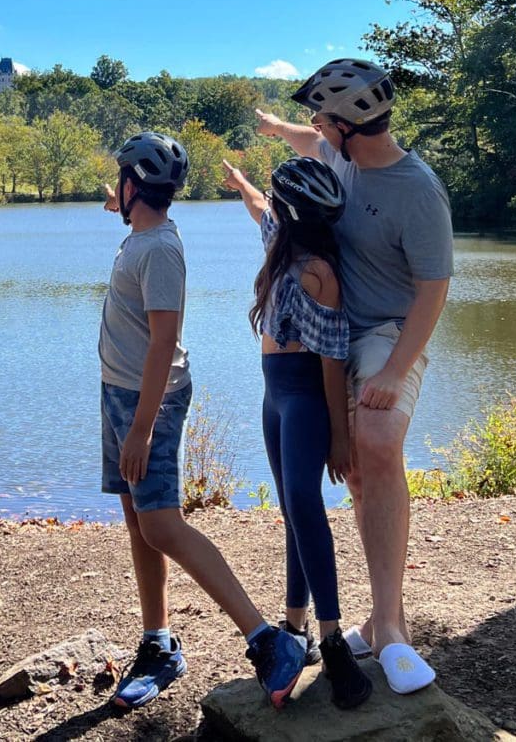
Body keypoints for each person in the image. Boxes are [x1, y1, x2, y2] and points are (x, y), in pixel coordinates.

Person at [253, 59, 452, 695]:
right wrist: (280, 127)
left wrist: (395, 371)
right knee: (354, 469)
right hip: (331, 335)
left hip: (386, 332)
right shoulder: (338, 155)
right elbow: (306, 142)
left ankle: (391, 626)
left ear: (349, 125)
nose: (316, 127)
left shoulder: (417, 190)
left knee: (375, 438)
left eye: (322, 118)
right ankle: (367, 616)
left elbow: (433, 290)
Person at [97, 131, 305, 711]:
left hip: (150, 400)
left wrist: (141, 428)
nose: (116, 194)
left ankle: (266, 641)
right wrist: (127, 204)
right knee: (140, 520)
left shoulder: (159, 249)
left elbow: (164, 341)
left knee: (161, 524)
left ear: (134, 187)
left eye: (122, 184)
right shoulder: (144, 235)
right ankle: (158, 644)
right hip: (121, 392)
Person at [222, 155, 373, 710]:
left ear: (298, 214)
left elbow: (332, 360)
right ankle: (296, 627)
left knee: (305, 505)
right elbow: (261, 210)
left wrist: (338, 435)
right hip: (273, 395)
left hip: (306, 398)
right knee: (290, 507)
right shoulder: (282, 242)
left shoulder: (318, 272)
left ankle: (332, 639)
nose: (271, 208)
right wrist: (240, 185)